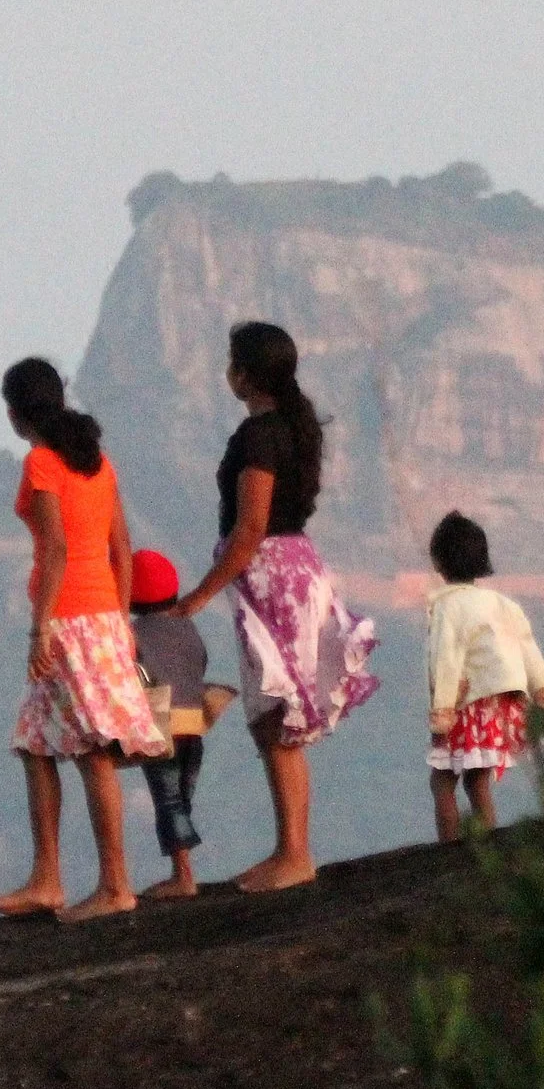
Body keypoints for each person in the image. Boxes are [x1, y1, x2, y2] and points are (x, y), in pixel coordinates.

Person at [170, 322, 380, 893]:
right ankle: (291, 849)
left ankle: (294, 852)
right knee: (277, 718)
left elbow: (249, 529)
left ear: (244, 375)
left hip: (271, 576)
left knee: (275, 717)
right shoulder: (290, 427)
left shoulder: (261, 435)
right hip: (291, 569)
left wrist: (197, 597)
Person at [0, 358, 169, 924]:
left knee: (91, 751)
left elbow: (56, 549)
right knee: (36, 743)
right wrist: (119, 621)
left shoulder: (42, 462)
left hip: (66, 620)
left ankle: (114, 885)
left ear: (15, 413)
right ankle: (48, 879)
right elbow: (121, 548)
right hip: (102, 617)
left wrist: (40, 627)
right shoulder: (97, 463)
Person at [421, 512, 544, 842]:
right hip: (500, 707)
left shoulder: (448, 607)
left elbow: (447, 659)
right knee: (477, 780)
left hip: (466, 704)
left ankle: (447, 852)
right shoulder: (504, 605)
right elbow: (527, 648)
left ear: (438, 563)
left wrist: (442, 710)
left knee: (442, 781)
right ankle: (488, 849)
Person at [128, 548, 235, 900]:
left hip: (162, 726)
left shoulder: (132, 634)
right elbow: (200, 663)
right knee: (183, 798)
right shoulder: (187, 627)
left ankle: (182, 875)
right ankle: (184, 869)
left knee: (168, 800)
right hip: (195, 724)